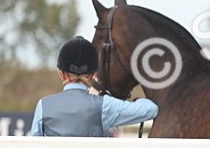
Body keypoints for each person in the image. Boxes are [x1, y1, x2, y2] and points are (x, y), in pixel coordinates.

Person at [30, 37, 158, 137]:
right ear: (93, 75)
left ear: (61, 73)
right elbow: (151, 110)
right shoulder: (104, 105)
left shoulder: (43, 106)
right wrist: (138, 101)